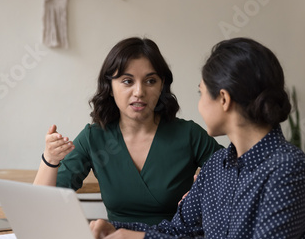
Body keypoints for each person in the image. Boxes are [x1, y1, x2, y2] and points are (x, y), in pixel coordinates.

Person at [90, 38, 305, 239]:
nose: (199, 105)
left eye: (201, 93)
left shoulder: (288, 169)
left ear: (223, 99)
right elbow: (176, 229)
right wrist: (119, 230)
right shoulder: (217, 165)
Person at [34, 37, 222, 225]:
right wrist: (50, 159)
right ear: (109, 87)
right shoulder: (94, 137)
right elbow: (41, 207)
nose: (139, 92)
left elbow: (240, 178)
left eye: (150, 81)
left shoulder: (189, 135)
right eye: (127, 81)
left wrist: (204, 195)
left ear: (161, 86)